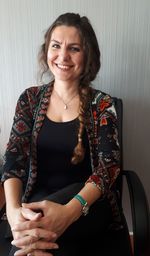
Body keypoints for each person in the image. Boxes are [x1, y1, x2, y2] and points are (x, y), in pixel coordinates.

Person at [1, 13, 121, 256]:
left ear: (88, 56)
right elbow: (13, 160)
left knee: (29, 241)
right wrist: (13, 212)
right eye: (56, 46)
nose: (63, 56)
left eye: (74, 48)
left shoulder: (102, 104)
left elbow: (108, 167)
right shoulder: (29, 100)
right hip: (35, 204)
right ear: (47, 50)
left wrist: (68, 213)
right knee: (45, 240)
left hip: (85, 205)